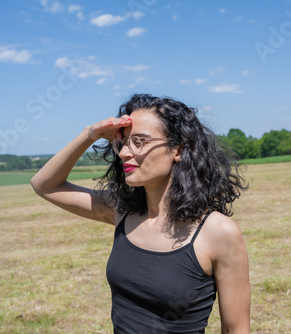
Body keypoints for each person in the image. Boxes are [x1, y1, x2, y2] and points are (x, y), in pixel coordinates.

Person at [31, 93, 251, 333]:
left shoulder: (218, 232)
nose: (125, 152)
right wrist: (89, 135)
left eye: (140, 141)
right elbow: (45, 185)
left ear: (177, 149)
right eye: (123, 142)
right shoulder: (121, 212)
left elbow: (236, 329)